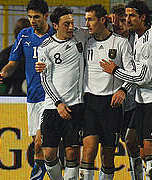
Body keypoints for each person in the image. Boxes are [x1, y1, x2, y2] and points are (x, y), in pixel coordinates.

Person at [100, 1, 152, 180]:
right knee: (135, 144)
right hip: (142, 100)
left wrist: (115, 70)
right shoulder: (140, 36)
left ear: (143, 17)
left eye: (132, 15)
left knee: (150, 155)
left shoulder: (149, 41)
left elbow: (143, 78)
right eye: (126, 15)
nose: (127, 19)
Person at [0, 0, 55, 179]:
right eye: (30, 17)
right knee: (37, 143)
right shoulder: (24, 35)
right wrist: (2, 73)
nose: (33, 20)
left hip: (52, 97)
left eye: (36, 17)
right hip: (33, 96)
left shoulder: (56, 35)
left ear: (46, 16)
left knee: (40, 144)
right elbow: (13, 63)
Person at [79, 4, 133, 180]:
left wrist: (123, 90)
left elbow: (132, 73)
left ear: (102, 20)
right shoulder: (87, 42)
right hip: (90, 103)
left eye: (90, 19)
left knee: (108, 155)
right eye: (86, 19)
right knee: (89, 150)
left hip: (112, 104)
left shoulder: (121, 43)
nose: (87, 23)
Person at [37, 5, 88, 180]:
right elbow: (45, 79)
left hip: (75, 106)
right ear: (55, 25)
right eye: (66, 24)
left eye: (72, 23)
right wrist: (58, 103)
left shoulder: (80, 35)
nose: (71, 27)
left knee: (72, 152)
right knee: (49, 154)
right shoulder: (45, 47)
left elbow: (100, 28)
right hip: (53, 107)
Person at [110, 4, 144, 180]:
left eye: (123, 20)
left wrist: (124, 88)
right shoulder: (106, 39)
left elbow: (137, 75)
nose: (120, 25)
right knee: (110, 145)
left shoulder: (139, 40)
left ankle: (138, 176)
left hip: (134, 101)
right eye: (116, 21)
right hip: (111, 103)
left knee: (132, 142)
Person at [0, 18, 31, 95]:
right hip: (32, 94)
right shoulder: (38, 52)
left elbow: (1, 78)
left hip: (11, 92)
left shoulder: (5, 53)